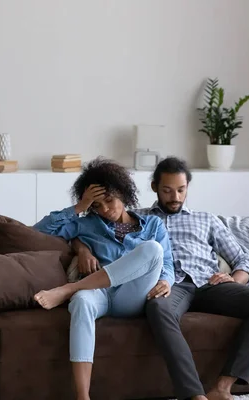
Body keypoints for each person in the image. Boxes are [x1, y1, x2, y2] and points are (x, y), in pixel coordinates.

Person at [72, 157, 249, 400]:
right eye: (167, 190)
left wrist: (234, 280)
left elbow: (243, 259)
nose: (175, 196)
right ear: (154, 187)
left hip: (209, 284)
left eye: (181, 190)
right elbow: (89, 230)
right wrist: (82, 248)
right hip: (170, 287)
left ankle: (222, 388)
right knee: (157, 308)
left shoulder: (206, 220)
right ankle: (194, 395)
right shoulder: (139, 219)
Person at [32, 157, 174, 400]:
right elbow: (36, 233)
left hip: (134, 294)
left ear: (124, 194)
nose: (106, 210)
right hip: (101, 295)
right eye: (96, 205)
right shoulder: (85, 224)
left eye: (109, 200)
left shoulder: (152, 225)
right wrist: (79, 208)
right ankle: (82, 396)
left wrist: (166, 281)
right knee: (81, 302)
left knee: (153, 249)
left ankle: (68, 289)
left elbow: (167, 263)